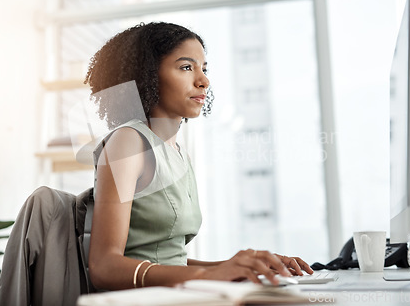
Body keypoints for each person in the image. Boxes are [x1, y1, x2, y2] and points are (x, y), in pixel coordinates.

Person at [84, 22, 313, 291]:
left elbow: (169, 260)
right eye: (186, 67)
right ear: (147, 75)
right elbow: (104, 267)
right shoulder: (129, 142)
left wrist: (242, 266)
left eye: (204, 69)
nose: (203, 80)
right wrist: (207, 276)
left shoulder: (177, 153)